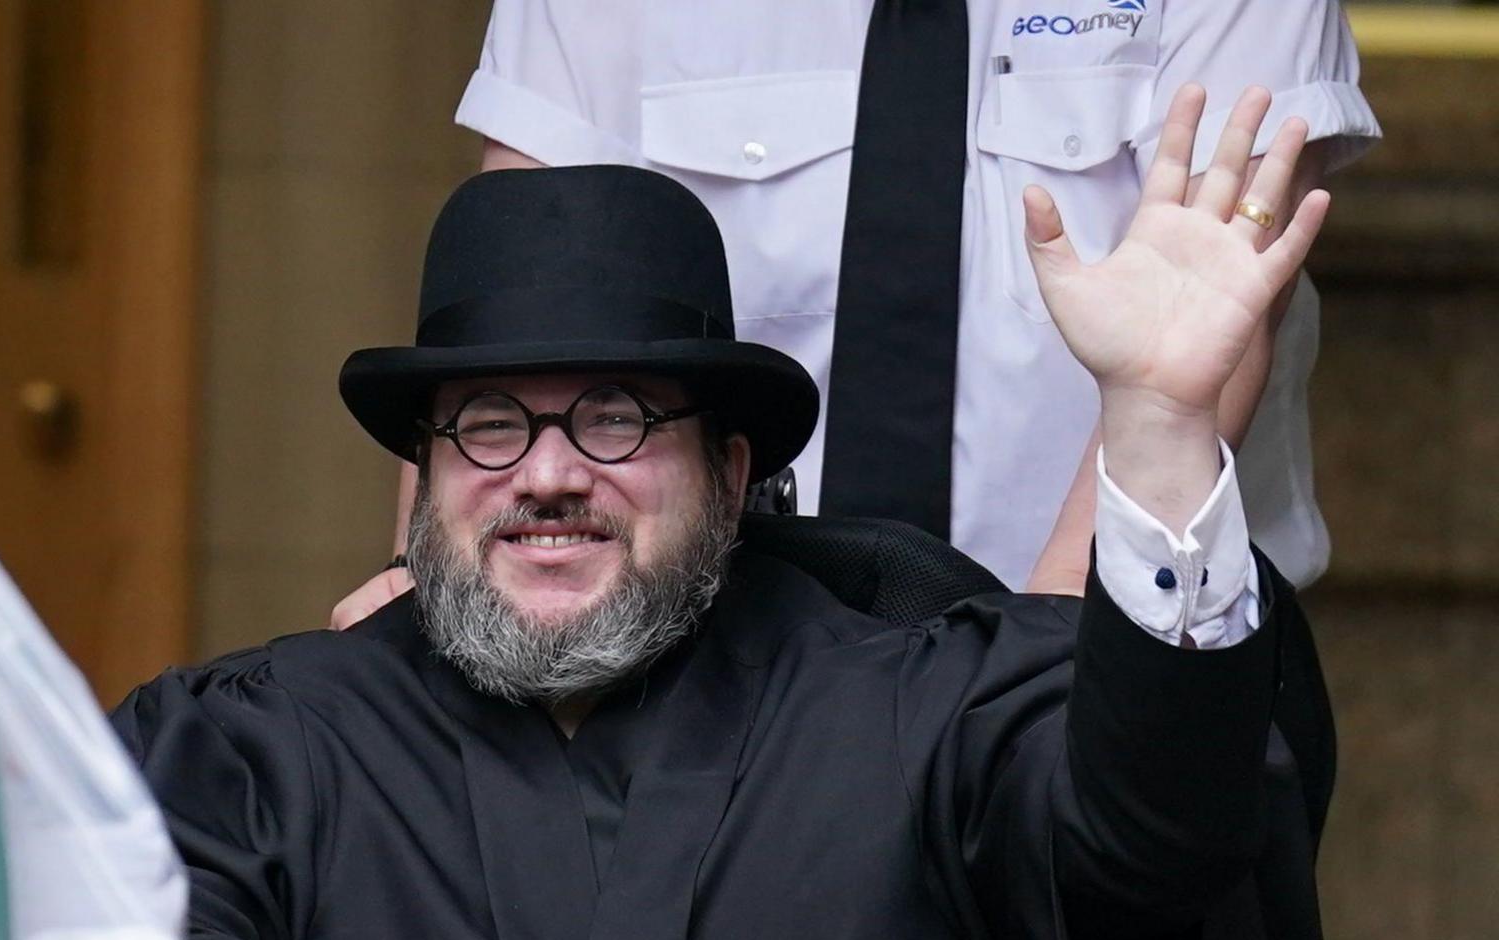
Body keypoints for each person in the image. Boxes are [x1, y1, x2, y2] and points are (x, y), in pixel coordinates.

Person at [0, 89, 1343, 940]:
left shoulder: (923, 703)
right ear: (425, 476)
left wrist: (1156, 436)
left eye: (615, 418)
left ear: (734, 475)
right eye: (490, 423)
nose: (549, 473)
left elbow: (1156, 838)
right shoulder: (264, 736)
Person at [331, 0, 1377, 629]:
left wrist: (1027, 683)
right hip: (700, 682)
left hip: (1125, 656)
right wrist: (428, 601)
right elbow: (513, 319)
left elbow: (1199, 342)